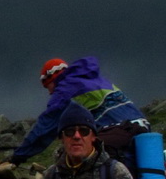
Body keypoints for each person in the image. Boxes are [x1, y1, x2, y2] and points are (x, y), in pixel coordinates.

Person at [9, 57, 149, 167]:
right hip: (143, 129)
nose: (50, 92)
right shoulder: (94, 79)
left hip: (118, 133)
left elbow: (44, 128)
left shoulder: (65, 89)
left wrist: (18, 157)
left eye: (48, 86)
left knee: (72, 161)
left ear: (53, 77)